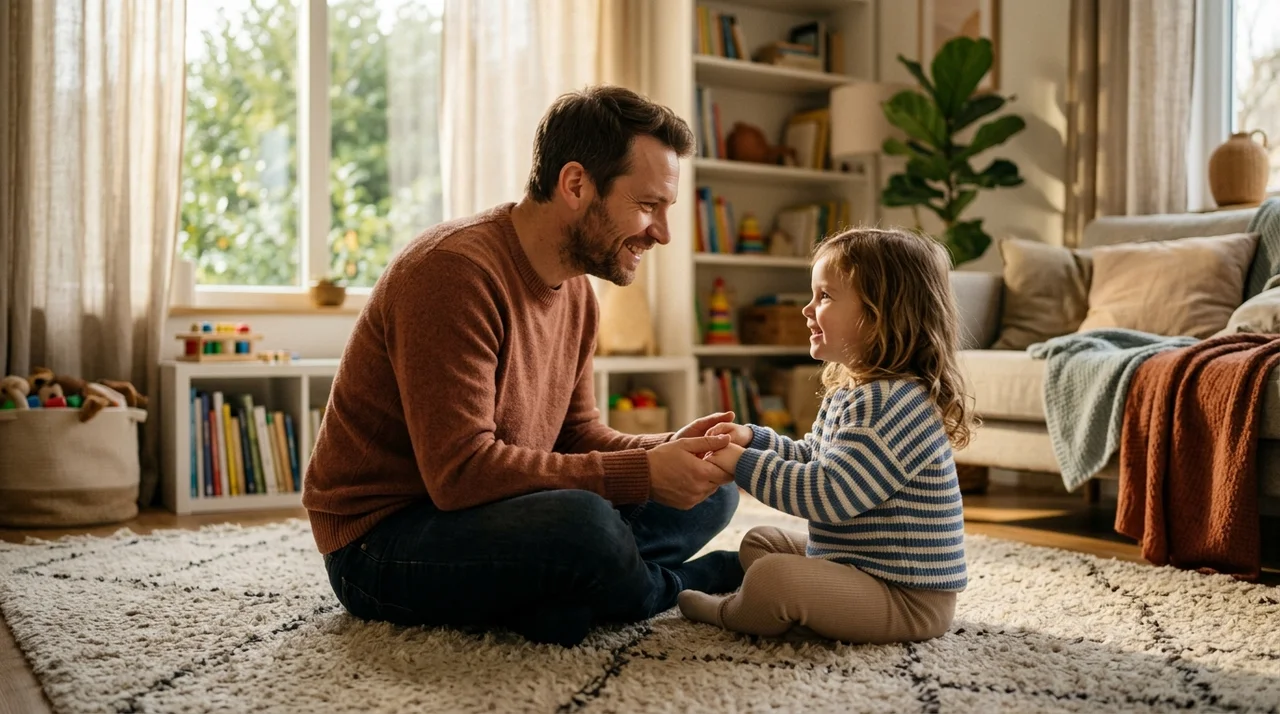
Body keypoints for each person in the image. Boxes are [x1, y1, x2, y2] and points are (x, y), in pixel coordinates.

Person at [303, 86, 745, 648]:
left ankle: (565, 594)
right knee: (585, 527)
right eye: (647, 205)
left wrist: (666, 451)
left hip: (500, 510)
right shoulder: (452, 274)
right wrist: (644, 474)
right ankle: (677, 586)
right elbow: (460, 474)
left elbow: (576, 435)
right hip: (382, 541)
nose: (662, 232)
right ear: (576, 185)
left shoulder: (579, 292)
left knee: (717, 488)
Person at [677, 228, 975, 644]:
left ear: (879, 314)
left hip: (907, 598)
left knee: (771, 577)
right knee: (761, 542)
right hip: (862, 566)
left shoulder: (895, 403)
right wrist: (752, 440)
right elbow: (811, 457)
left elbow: (826, 495)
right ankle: (805, 610)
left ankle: (732, 612)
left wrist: (739, 463)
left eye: (825, 297)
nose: (806, 309)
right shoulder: (856, 392)